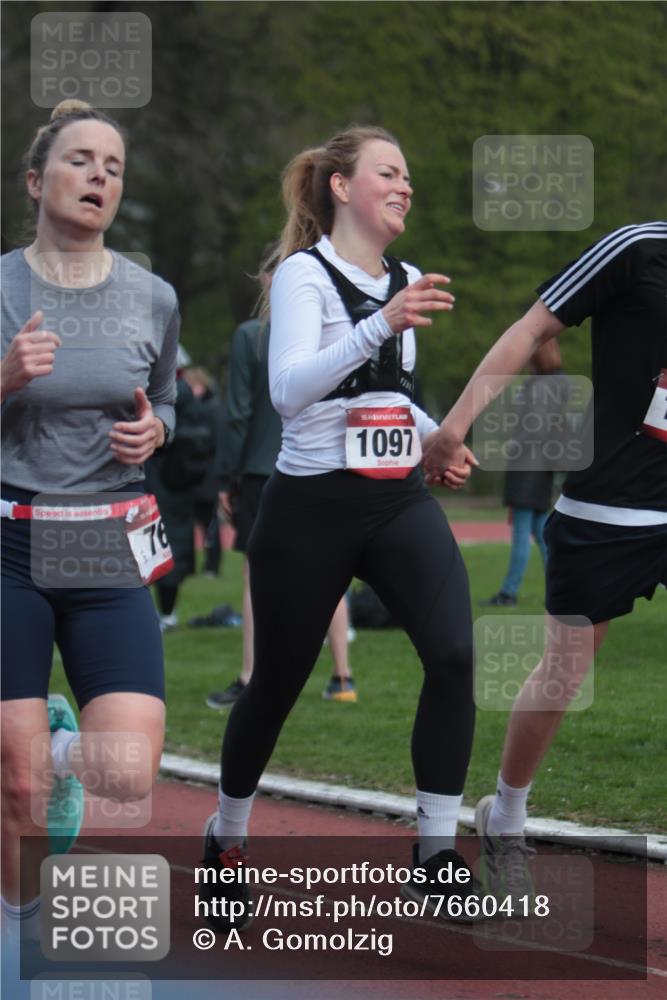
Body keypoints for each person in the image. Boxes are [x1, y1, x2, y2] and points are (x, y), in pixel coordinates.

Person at [200, 124, 482, 933]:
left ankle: (433, 856)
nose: (405, 186)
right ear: (340, 186)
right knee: (277, 685)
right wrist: (380, 322)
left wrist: (434, 437)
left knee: (455, 653)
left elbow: (385, 391)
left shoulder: (401, 280)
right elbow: (290, 390)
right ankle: (225, 838)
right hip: (309, 509)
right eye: (389, 173)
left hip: (395, 501)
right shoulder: (302, 274)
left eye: (408, 177)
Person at [423, 220, 667, 900]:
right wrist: (455, 424)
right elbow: (531, 330)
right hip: (608, 506)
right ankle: (504, 816)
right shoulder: (637, 250)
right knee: (563, 674)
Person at [0, 100, 179, 948]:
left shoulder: (152, 296)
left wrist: (158, 429)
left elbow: (170, 397)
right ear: (37, 181)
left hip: (107, 542)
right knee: (17, 788)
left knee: (128, 771)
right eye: (80, 160)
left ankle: (61, 744)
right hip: (9, 541)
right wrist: (2, 379)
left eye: (112, 165)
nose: (98, 176)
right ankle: (19, 945)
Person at [207, 306, 357, 706]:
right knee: (331, 569)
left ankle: (250, 675)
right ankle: (342, 676)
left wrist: (226, 476)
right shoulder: (335, 332)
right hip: (324, 463)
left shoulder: (253, 335)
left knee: (255, 572)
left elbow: (238, 411)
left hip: (265, 466)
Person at [480, 339, 571, 607]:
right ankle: (560, 589)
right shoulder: (559, 382)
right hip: (542, 465)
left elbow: (535, 427)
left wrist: (513, 445)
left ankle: (509, 592)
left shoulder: (542, 385)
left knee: (521, 532)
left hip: (527, 465)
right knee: (541, 533)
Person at [146, 354, 221, 630]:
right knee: (168, 545)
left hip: (164, 483)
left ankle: (166, 613)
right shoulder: (185, 394)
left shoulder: (173, 393)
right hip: (176, 485)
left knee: (162, 547)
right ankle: (167, 612)